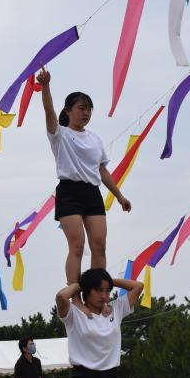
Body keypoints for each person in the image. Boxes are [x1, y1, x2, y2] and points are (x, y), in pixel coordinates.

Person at [39, 68, 131, 284]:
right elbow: (48, 111)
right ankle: (75, 296)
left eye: (89, 109)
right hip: (69, 191)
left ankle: (98, 293)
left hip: (92, 192)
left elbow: (102, 170)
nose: (86, 113)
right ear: (68, 111)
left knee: (99, 245)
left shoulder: (95, 139)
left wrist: (119, 196)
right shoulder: (59, 134)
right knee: (77, 245)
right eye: (81, 108)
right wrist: (45, 86)